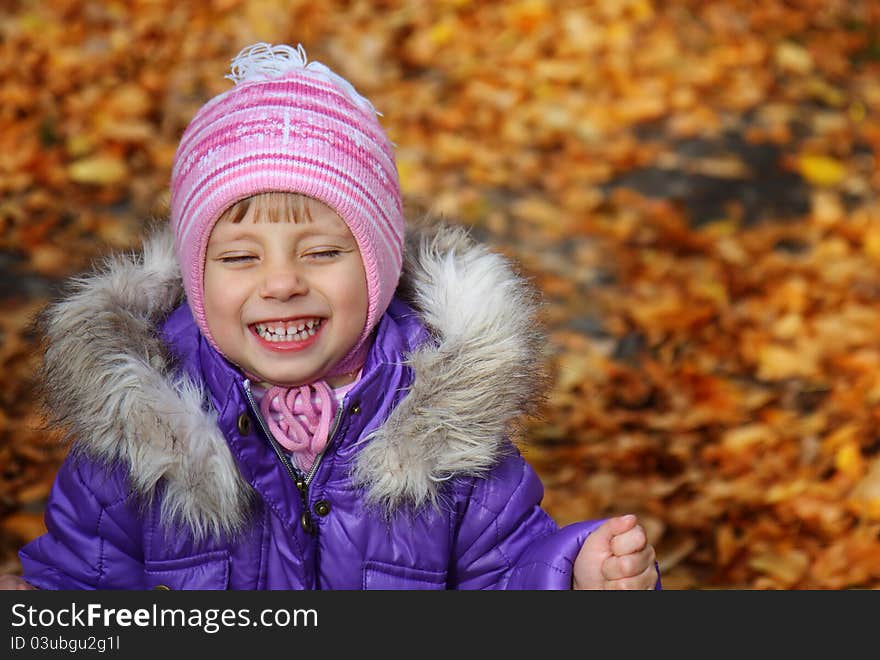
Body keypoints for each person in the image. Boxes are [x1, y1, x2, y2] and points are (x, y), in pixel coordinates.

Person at [1, 43, 659, 590]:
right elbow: (80, 591)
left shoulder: (444, 430)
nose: (282, 282)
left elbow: (505, 574)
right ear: (196, 281)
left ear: (376, 267)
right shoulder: (137, 443)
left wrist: (574, 579)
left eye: (320, 252)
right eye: (239, 258)